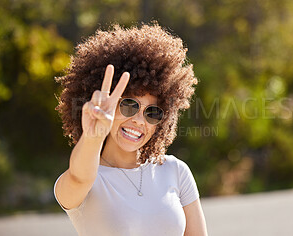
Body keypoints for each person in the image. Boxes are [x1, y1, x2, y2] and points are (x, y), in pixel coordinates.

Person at [53, 22, 208, 236]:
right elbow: (79, 177)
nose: (138, 120)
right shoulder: (88, 179)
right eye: (129, 105)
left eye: (152, 112)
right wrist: (93, 136)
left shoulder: (176, 171)